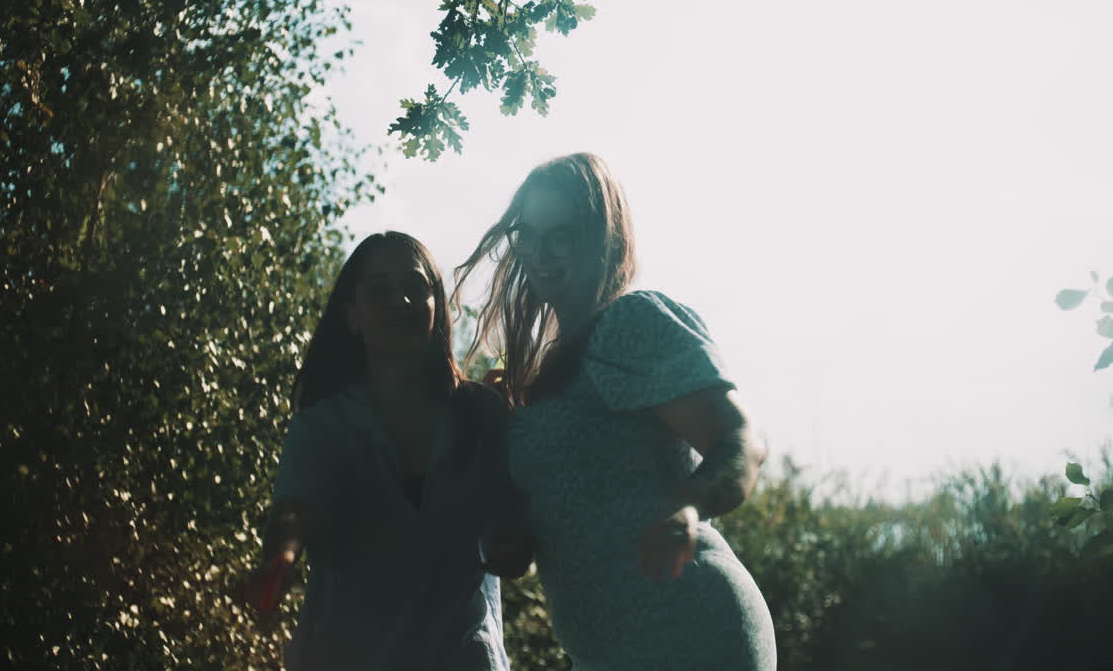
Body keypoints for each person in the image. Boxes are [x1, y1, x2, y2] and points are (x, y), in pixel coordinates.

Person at [455, 153, 777, 670]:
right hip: (604, 652)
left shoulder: (631, 322)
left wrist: (688, 508)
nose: (540, 251)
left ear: (604, 238)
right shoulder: (543, 376)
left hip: (691, 631)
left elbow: (742, 441)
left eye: (562, 234)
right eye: (529, 234)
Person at [246, 231, 513, 671]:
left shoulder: (482, 414)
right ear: (351, 315)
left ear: (437, 305)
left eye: (415, 287)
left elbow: (517, 514)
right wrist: (281, 557)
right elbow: (293, 509)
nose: (401, 301)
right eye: (379, 289)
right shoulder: (323, 425)